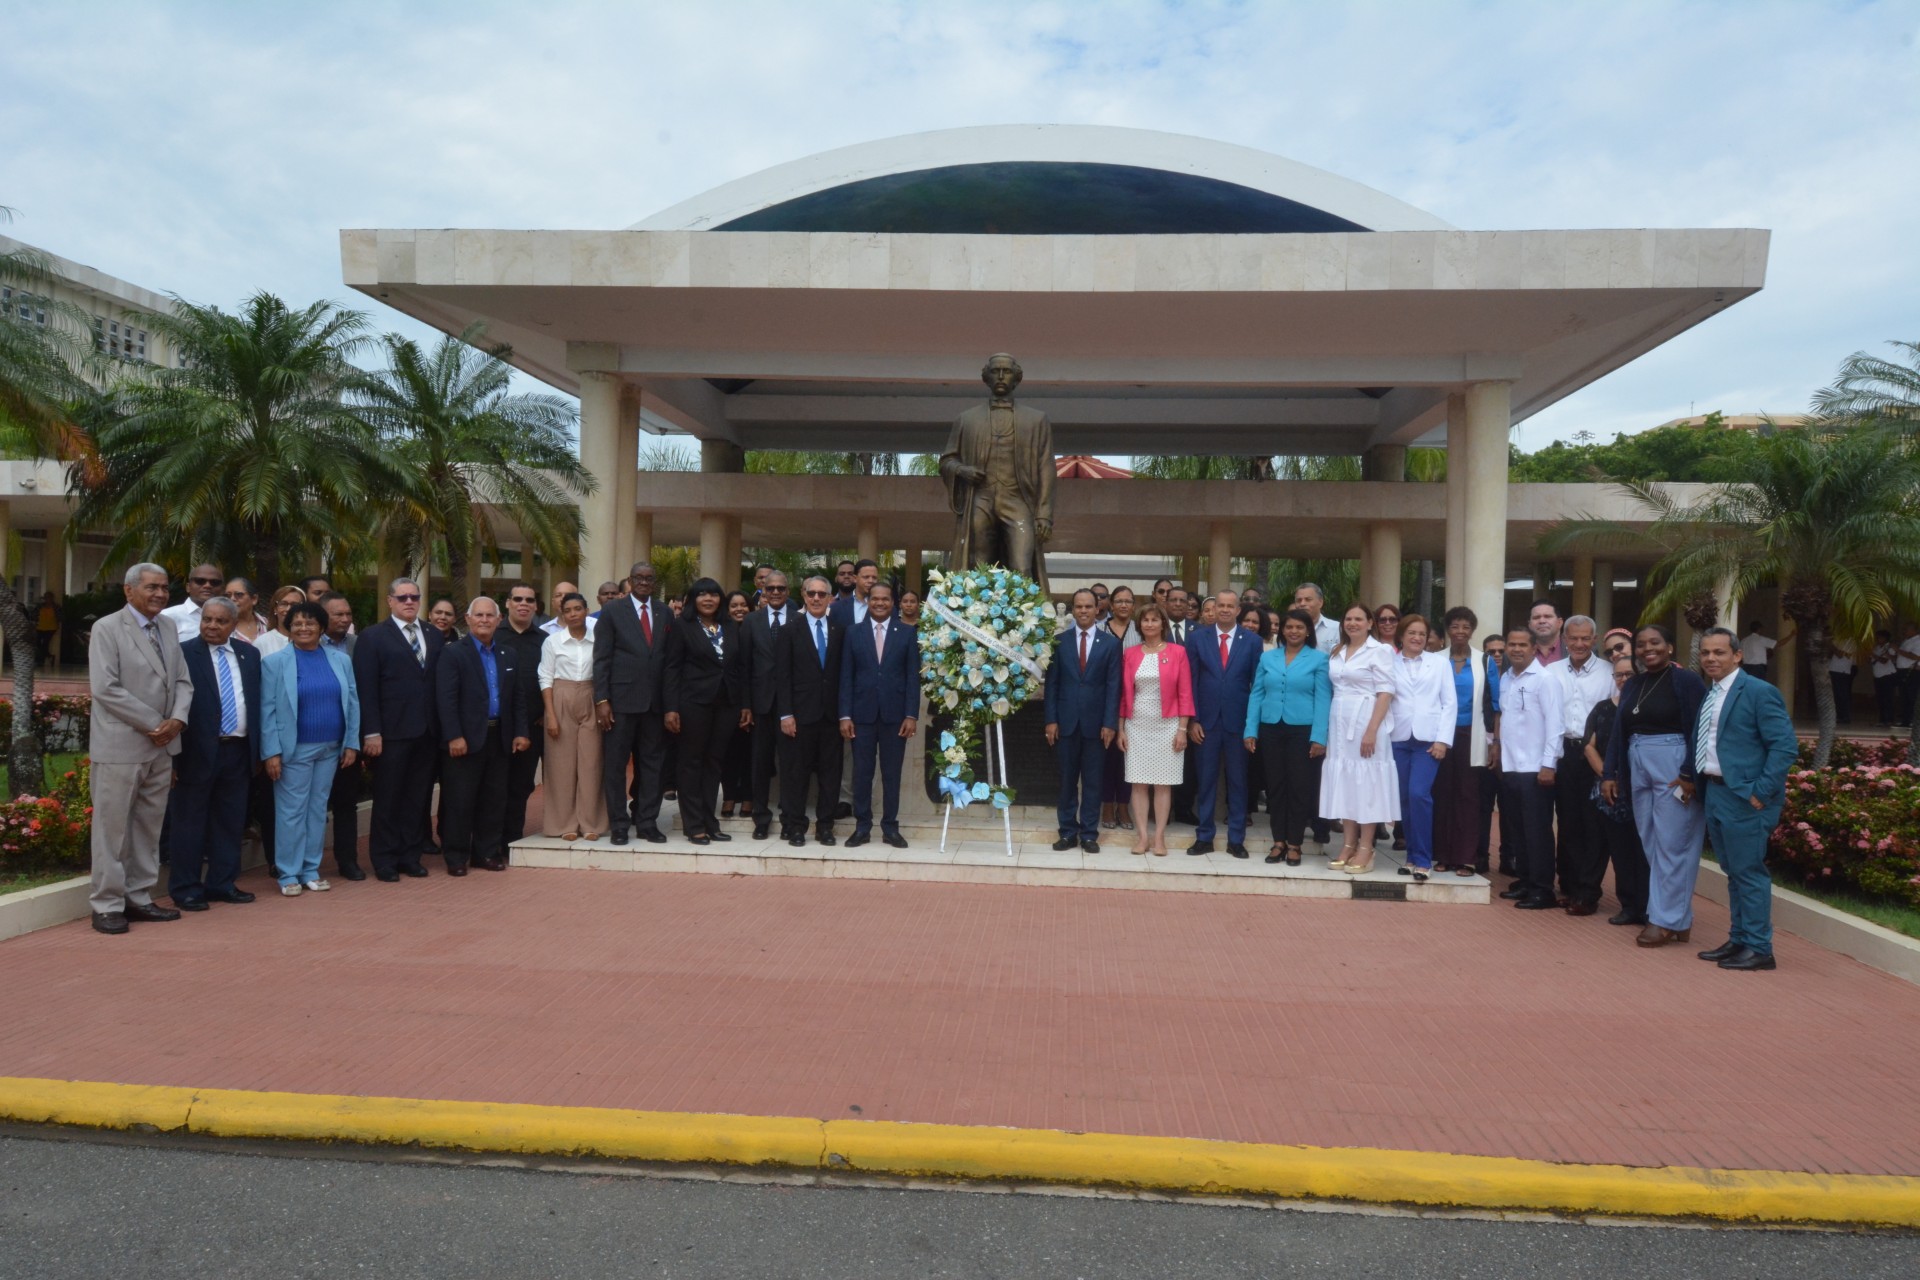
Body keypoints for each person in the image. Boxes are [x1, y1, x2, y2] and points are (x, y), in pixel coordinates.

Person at [86, 563, 193, 934]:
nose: (160, 594)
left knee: (148, 827)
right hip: (121, 744)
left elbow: (182, 680)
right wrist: (155, 724)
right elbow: (105, 688)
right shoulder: (107, 628)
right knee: (111, 828)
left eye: (164, 587)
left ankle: (139, 897)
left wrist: (177, 720)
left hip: (162, 746)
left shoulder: (167, 627)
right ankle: (106, 904)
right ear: (129, 591)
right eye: (152, 587)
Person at [1693, 627, 1799, 971]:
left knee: (1749, 872)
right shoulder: (1710, 693)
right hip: (1716, 791)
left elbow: (1784, 747)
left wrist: (1760, 792)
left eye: (1719, 652)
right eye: (1706, 652)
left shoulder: (1758, 692)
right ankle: (1739, 938)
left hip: (1745, 797)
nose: (1711, 658)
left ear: (1737, 655)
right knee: (1733, 871)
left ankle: (1759, 948)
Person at [1601, 624, 1708, 948]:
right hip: (1637, 762)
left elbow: (1699, 728)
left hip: (1673, 762)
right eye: (1642, 644)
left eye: (1656, 643)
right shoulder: (1633, 684)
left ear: (1670, 647)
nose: (1648, 649)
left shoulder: (1686, 681)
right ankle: (1679, 918)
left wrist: (1690, 772)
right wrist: (1610, 773)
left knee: (1674, 844)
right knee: (1651, 842)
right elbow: (1620, 730)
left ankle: (1663, 920)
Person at [165, 598, 261, 911]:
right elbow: (170, 704)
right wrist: (173, 758)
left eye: (220, 621)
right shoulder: (182, 653)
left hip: (238, 751)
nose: (212, 626)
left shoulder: (249, 654)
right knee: (189, 823)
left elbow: (256, 702)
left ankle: (222, 884)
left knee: (230, 822)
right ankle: (186, 889)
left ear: (233, 625)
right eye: (207, 619)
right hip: (195, 752)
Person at [260, 601, 360, 896]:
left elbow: (352, 703)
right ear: (288, 628)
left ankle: (310, 870)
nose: (304, 628)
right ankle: (288, 873)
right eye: (297, 623)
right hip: (294, 750)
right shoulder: (275, 663)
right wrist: (271, 752)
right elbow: (267, 711)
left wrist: (351, 742)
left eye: (310, 622)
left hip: (331, 747)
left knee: (317, 811)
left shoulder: (340, 660)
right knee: (291, 812)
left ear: (321, 627)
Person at [352, 577, 446, 882]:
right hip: (390, 734)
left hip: (426, 733)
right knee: (388, 799)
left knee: (416, 800)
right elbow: (366, 688)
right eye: (402, 597)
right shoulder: (373, 637)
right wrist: (371, 732)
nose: (409, 602)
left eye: (414, 597)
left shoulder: (433, 634)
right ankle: (385, 860)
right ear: (390, 601)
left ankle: (410, 857)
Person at [436, 596, 531, 874]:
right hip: (464, 740)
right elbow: (446, 699)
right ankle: (456, 857)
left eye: (490, 616)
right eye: (479, 615)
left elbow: (518, 699)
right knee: (460, 801)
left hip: (499, 738)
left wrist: (521, 732)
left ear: (499, 620)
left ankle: (486, 853)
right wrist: (453, 735)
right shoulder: (454, 653)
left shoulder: (508, 654)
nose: (484, 620)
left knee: (494, 800)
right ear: (467, 619)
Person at [1241, 608, 1329, 866]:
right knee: (1275, 788)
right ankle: (1278, 841)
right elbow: (1256, 694)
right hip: (1271, 728)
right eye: (1289, 627)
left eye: (1299, 628)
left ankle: (1295, 843)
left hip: (1302, 730)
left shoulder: (1319, 659)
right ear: (1282, 630)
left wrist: (1319, 737)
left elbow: (1324, 700)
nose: (1293, 631)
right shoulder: (1268, 658)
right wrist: (1250, 729)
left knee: (1299, 788)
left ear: (1308, 631)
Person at [594, 562, 674, 846]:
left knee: (652, 766)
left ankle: (646, 821)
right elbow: (602, 658)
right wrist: (602, 700)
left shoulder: (665, 612)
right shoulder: (613, 611)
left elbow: (668, 662)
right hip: (620, 703)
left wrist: (670, 705)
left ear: (655, 582)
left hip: (654, 705)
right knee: (615, 766)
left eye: (649, 578)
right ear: (629, 580)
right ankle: (618, 824)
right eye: (638, 578)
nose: (643, 582)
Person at [665, 578, 748, 846]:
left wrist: (744, 704)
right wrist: (671, 708)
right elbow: (672, 669)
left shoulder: (730, 627)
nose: (708, 599)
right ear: (693, 599)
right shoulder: (682, 627)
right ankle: (693, 825)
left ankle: (710, 822)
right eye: (702, 595)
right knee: (691, 763)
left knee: (714, 764)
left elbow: (739, 669)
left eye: (713, 594)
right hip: (693, 704)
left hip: (726, 705)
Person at [838, 580, 919, 849]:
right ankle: (862, 827)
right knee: (862, 773)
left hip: (895, 717)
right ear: (867, 602)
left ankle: (890, 827)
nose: (880, 603)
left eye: (885, 599)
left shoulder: (906, 633)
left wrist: (911, 715)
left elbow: (911, 678)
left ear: (892, 602)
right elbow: (846, 677)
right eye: (875, 599)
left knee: (891, 774)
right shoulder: (853, 633)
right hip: (861, 716)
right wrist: (845, 715)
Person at [1320, 603, 1398, 874]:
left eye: (1358, 619)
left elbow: (1386, 692)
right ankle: (1348, 843)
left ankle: (1367, 846)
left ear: (1370, 623)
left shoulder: (1381, 651)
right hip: (1339, 721)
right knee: (1346, 782)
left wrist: (1372, 730)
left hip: (1366, 719)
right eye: (1348, 618)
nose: (1352, 623)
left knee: (1367, 784)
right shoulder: (1337, 651)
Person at [1186, 589, 1263, 857]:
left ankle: (1236, 840)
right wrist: (1192, 720)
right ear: (1214, 608)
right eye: (1221, 605)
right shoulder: (1197, 639)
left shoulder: (1252, 642)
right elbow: (1191, 682)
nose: (1226, 610)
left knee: (1238, 782)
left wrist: (1252, 726)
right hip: (1205, 723)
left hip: (1238, 724)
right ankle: (1204, 837)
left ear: (1238, 610)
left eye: (1231, 606)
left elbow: (1257, 687)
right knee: (1206, 781)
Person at [1045, 589, 1122, 854]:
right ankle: (1067, 832)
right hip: (1065, 724)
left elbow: (1114, 687)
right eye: (1078, 607)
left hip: (1097, 726)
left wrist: (1110, 723)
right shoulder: (1059, 641)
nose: (1084, 611)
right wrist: (1051, 720)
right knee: (1067, 780)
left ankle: (1089, 834)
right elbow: (1052, 685)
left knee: (1093, 782)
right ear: (1073, 609)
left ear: (1097, 609)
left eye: (1088, 606)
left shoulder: (1110, 644)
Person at [1546, 615, 1613, 915]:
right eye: (1573, 638)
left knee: (1594, 825)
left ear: (1595, 640)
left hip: (1595, 755)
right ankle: (1569, 886)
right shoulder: (1551, 672)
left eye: (1586, 638)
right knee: (1568, 821)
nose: (1579, 644)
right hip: (1563, 754)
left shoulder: (1609, 673)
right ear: (1564, 639)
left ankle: (1588, 892)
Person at [1494, 627, 1563, 910]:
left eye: (1523, 644)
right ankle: (1524, 880)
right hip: (1510, 767)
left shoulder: (1546, 680)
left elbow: (1556, 725)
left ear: (1534, 648)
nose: (1517, 649)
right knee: (1516, 829)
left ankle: (1542, 889)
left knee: (1537, 831)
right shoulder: (1507, 678)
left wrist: (1549, 764)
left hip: (1536, 768)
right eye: (1512, 644)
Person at [1117, 602, 1192, 857]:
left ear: (1163, 624)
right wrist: (1121, 729)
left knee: (1163, 784)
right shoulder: (1130, 654)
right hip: (1137, 723)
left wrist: (1183, 729)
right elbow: (1124, 696)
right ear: (1140, 626)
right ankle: (1142, 837)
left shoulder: (1178, 652)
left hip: (1169, 724)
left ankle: (1159, 837)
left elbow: (1185, 692)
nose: (1150, 624)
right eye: (1145, 620)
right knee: (1138, 783)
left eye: (1154, 620)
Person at [775, 576, 845, 847]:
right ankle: (795, 826)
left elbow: (843, 676)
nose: (816, 598)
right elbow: (782, 676)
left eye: (822, 594)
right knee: (796, 774)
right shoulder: (789, 630)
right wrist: (785, 714)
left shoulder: (840, 630)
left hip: (831, 717)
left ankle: (825, 826)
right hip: (799, 717)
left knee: (830, 775)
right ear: (803, 596)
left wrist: (844, 715)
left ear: (830, 598)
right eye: (811, 594)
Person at [1387, 615, 1454, 883]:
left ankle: (1424, 859)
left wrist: (1442, 740)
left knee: (1419, 794)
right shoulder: (1388, 663)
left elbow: (1449, 703)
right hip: (1397, 738)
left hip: (1428, 740)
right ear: (1401, 636)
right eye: (1412, 633)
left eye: (1422, 634)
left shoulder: (1439, 664)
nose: (1417, 638)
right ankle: (1411, 856)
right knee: (1403, 797)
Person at [1584, 653, 1649, 927]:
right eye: (1618, 675)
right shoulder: (1602, 708)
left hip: (1645, 789)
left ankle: (1648, 907)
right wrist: (1609, 776)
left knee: (1643, 851)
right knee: (1620, 850)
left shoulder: (1647, 707)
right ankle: (1629, 906)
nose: (1623, 680)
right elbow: (1589, 745)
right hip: (1611, 790)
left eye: (1629, 675)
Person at [538, 591, 606, 840]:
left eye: (578, 609)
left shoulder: (598, 639)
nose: (573, 614)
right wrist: (551, 715)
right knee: (561, 764)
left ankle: (591, 823)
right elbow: (545, 677)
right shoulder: (552, 642)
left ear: (586, 610)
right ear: (562, 614)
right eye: (568, 611)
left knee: (592, 762)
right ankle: (563, 824)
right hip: (561, 696)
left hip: (591, 695)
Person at [1432, 607, 1494, 877]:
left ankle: (1466, 857)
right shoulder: (1434, 659)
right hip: (1440, 736)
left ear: (1472, 630)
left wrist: (1495, 742)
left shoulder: (1485, 662)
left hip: (1473, 734)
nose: (1460, 631)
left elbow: (1493, 703)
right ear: (1448, 629)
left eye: (1465, 627)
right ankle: (1443, 855)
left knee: (1468, 797)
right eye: (1455, 626)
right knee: (1442, 794)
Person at [492, 582, 549, 847]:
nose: (523, 604)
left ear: (536, 606)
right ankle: (488, 839)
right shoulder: (494, 636)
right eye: (518, 599)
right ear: (508, 603)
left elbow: (553, 679)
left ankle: (510, 840)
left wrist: (546, 711)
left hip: (533, 726)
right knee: (495, 785)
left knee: (521, 786)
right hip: (499, 727)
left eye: (529, 599)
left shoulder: (544, 640)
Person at [315, 592, 366, 879]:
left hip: (348, 739)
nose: (345, 619)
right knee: (312, 805)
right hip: (313, 738)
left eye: (348, 614)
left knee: (347, 803)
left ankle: (348, 861)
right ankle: (306, 863)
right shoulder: (306, 644)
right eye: (338, 614)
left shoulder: (360, 645)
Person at [736, 576, 791, 837]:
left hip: (791, 705)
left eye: (781, 588)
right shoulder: (751, 621)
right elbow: (744, 666)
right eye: (771, 589)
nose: (776, 592)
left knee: (792, 763)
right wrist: (746, 704)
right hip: (760, 704)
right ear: (764, 592)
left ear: (788, 591)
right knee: (759, 764)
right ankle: (761, 819)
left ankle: (790, 818)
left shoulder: (799, 618)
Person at [1097, 586, 1142, 831]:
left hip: (1135, 703)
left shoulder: (1141, 630)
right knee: (1106, 757)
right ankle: (1106, 805)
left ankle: (1123, 806)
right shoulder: (1100, 630)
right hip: (1104, 702)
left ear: (1134, 605)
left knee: (1127, 757)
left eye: (1128, 601)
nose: (1124, 605)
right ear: (1111, 605)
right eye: (1119, 601)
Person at [719, 589, 757, 820]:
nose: (739, 609)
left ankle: (749, 797)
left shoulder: (756, 629)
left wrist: (749, 704)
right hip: (726, 702)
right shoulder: (720, 632)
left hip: (753, 700)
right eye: (734, 605)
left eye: (744, 605)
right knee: (728, 753)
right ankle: (729, 796)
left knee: (750, 753)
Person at [1479, 632, 1510, 876]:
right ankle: (1480, 857)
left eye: (1501, 651)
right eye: (1492, 651)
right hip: (1483, 747)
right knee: (1482, 806)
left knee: (1509, 808)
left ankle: (1509, 859)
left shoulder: (1515, 678)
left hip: (1512, 753)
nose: (1497, 655)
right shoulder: (1480, 678)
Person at [158, 563, 225, 639]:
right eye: (200, 581)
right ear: (188, 587)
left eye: (214, 582)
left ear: (222, 589)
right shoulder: (167, 616)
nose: (207, 585)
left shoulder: (230, 618)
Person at [1290, 582, 1342, 653]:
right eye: (1299, 600)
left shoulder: (1336, 629)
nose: (1302, 604)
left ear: (1320, 602)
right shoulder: (1288, 630)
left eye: (1308, 599)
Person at [829, 559, 880, 629]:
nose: (870, 581)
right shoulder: (835, 608)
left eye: (874, 578)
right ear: (855, 578)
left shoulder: (886, 608)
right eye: (866, 577)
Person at [224, 579, 271, 645]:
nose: (232, 599)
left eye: (238, 595)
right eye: (228, 596)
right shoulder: (222, 628)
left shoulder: (268, 625)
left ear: (254, 599)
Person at [1871, 630, 1900, 726]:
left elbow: (1884, 661)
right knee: (1880, 699)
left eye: (1880, 637)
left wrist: (1873, 655)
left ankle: (1889, 719)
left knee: (1888, 699)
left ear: (1885, 638)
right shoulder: (1876, 648)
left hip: (1887, 676)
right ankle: (1882, 719)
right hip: (1878, 676)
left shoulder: (1889, 647)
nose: (1878, 639)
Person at [1527, 599, 1564, 667]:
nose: (1542, 621)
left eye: (1548, 616)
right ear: (1529, 625)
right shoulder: (1520, 651)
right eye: (1536, 617)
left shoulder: (1572, 649)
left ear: (1560, 622)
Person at [1828, 643, 1856, 725]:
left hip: (1842, 671)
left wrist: (1830, 645)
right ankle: (1839, 716)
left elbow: (1840, 655)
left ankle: (1845, 717)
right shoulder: (1839, 641)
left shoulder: (1850, 642)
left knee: (1842, 695)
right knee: (1836, 695)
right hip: (1835, 669)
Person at [33, 590, 60, 666]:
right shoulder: (40, 606)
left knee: (45, 643)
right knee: (38, 642)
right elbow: (34, 614)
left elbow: (60, 616)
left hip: (51, 628)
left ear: (52, 598)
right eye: (45, 597)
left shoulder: (56, 607)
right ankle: (49, 656)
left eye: (48, 597)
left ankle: (41, 660)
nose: (47, 599)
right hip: (40, 627)